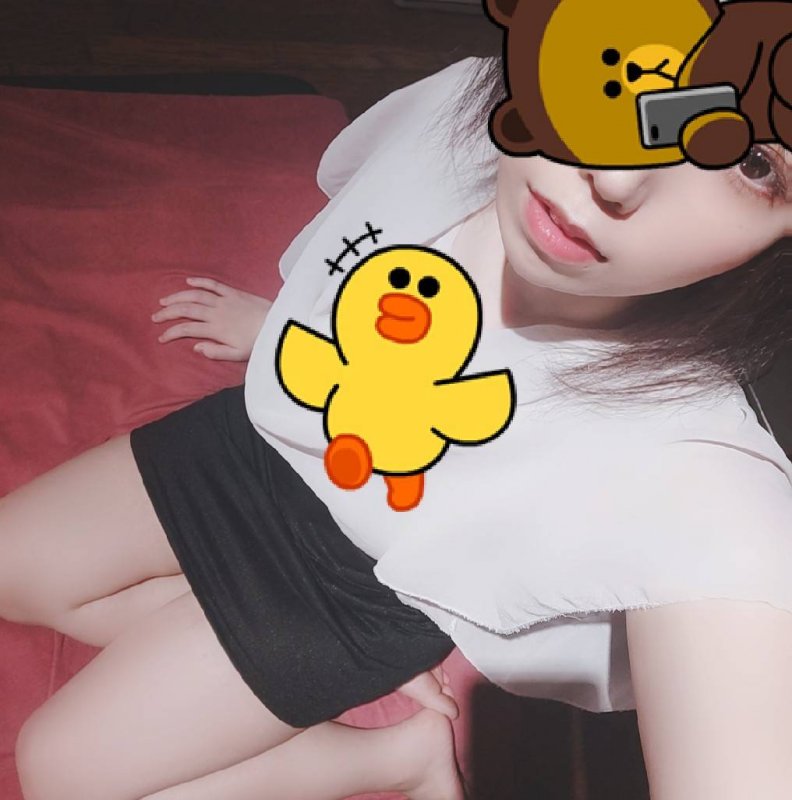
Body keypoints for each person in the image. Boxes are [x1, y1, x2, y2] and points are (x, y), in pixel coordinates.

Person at [2, 52, 792, 800]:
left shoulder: (699, 464)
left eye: (756, 162)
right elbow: (374, 247)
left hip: (355, 594)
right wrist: (284, 325)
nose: (617, 172)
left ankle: (394, 753)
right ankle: (224, 647)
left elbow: (733, 593)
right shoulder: (464, 106)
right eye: (654, 62)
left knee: (60, 773)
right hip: (261, 446)